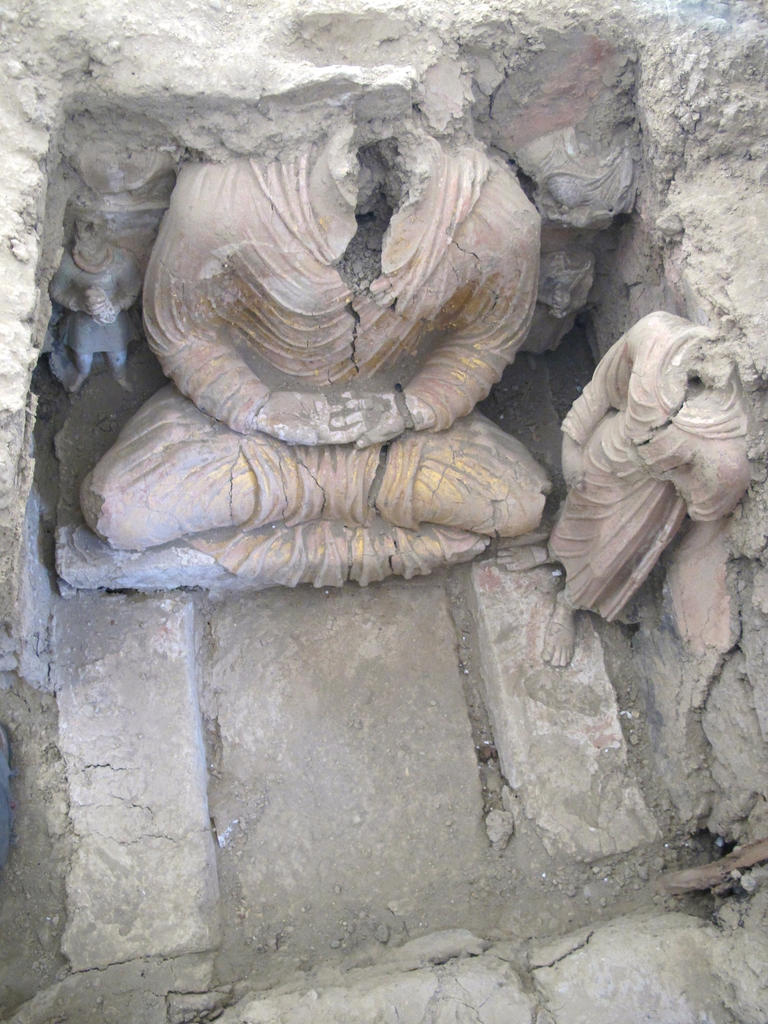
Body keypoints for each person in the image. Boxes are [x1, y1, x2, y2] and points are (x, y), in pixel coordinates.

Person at [81, 127, 551, 587]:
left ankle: (260, 548)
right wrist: (260, 406)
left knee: (521, 504)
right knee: (120, 513)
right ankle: (391, 542)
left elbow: (485, 342)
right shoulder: (221, 202)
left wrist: (411, 408)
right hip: (250, 437)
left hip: (396, 441)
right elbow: (183, 335)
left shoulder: (495, 217)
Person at [542, 311, 750, 666]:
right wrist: (572, 444)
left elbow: (704, 507)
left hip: (648, 497)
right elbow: (603, 386)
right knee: (575, 516)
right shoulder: (654, 339)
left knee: (605, 560)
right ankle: (553, 556)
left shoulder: (725, 455)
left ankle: (568, 604)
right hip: (608, 450)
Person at [49, 217, 141, 391]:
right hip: (83, 320)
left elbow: (131, 289)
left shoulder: (121, 262)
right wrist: (76, 302)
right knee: (83, 358)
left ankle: (120, 375)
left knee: (118, 356)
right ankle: (81, 374)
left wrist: (115, 306)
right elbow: (57, 290)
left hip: (112, 318)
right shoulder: (67, 263)